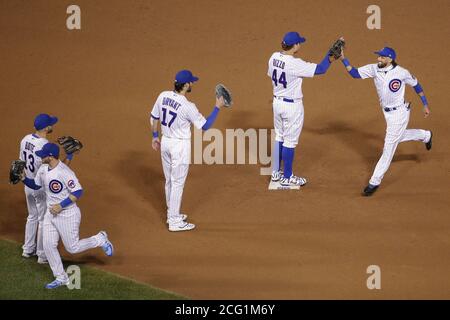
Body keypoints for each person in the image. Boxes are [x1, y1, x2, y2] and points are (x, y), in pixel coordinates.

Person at [340, 46, 432, 196]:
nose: (379, 59)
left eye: (382, 57)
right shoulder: (374, 68)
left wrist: (425, 104)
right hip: (387, 113)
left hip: (399, 113)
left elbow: (416, 85)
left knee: (389, 147)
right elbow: (355, 74)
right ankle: (425, 135)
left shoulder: (402, 72)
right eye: (379, 56)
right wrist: (344, 59)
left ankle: (374, 182)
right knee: (398, 137)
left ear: (390, 59)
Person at [20, 143, 114, 289]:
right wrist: (23, 178)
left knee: (73, 248)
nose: (40, 157)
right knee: (48, 245)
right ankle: (61, 277)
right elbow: (36, 185)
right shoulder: (44, 169)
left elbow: (78, 191)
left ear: (50, 156)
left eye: (43, 155)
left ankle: (100, 239)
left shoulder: (65, 172)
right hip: (50, 215)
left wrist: (61, 205)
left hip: (67, 214)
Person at [150, 70, 227, 232]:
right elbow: (205, 126)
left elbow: (153, 117)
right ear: (185, 85)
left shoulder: (162, 95)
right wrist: (217, 107)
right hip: (179, 147)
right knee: (177, 182)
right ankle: (174, 221)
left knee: (169, 180)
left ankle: (172, 212)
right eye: (191, 82)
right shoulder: (187, 106)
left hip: (165, 142)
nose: (193, 83)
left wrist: (155, 136)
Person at [268, 32, 337, 187]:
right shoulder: (295, 63)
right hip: (291, 107)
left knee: (279, 136)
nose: (300, 45)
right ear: (295, 46)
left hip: (277, 102)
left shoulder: (273, 57)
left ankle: (275, 172)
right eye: (299, 43)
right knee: (290, 141)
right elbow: (320, 69)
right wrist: (329, 57)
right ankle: (287, 177)